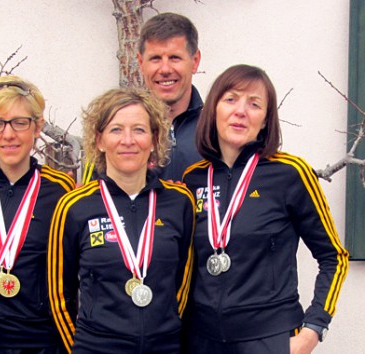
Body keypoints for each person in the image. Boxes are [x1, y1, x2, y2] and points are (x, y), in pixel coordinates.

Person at [182, 64, 349, 353]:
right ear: (214, 110)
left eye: (255, 104)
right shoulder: (192, 179)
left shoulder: (291, 173)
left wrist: (313, 329)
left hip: (269, 338)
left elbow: (334, 256)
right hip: (201, 340)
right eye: (231, 99)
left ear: (265, 120)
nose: (241, 111)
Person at [48, 88, 195, 353]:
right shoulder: (74, 206)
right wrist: (82, 347)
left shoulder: (180, 202)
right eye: (116, 130)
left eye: (139, 130)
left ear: (154, 140)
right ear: (100, 140)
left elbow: (183, 284)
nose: (128, 140)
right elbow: (59, 294)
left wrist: (166, 329)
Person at [0, 75, 74, 354]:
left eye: (20, 122)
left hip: (41, 344)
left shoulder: (60, 191)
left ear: (37, 127)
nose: (8, 134)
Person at [81, 12, 202, 183]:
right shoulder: (114, 130)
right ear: (140, 62)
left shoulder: (216, 128)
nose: (165, 69)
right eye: (155, 59)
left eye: (175, 58)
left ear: (195, 61)